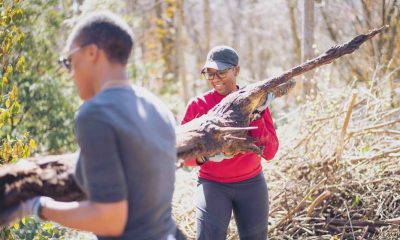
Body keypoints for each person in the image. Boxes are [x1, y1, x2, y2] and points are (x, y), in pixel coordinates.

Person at [0, 11, 185, 240]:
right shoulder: (158, 107)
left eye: (69, 61)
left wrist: (37, 207)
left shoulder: (97, 113)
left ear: (91, 52)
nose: (70, 73)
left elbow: (110, 220)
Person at [181, 46, 279, 240]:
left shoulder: (254, 101)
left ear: (236, 70)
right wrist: (205, 156)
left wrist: (256, 114)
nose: (215, 78)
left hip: (252, 185)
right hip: (213, 185)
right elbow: (183, 154)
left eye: (221, 72)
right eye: (210, 73)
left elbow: (270, 152)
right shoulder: (198, 105)